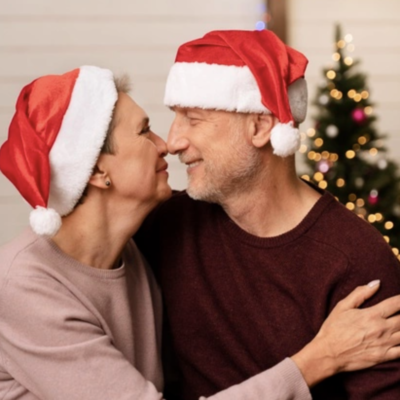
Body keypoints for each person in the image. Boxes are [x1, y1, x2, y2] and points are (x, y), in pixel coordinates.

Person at [0, 67, 399, 400]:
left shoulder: (145, 238)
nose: (168, 144)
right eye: (145, 132)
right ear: (98, 172)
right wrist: (318, 359)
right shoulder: (23, 287)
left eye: (191, 120)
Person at [135, 30, 400, 399]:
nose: (173, 140)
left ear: (259, 126)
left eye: (192, 119)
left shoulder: (356, 261)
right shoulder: (165, 226)